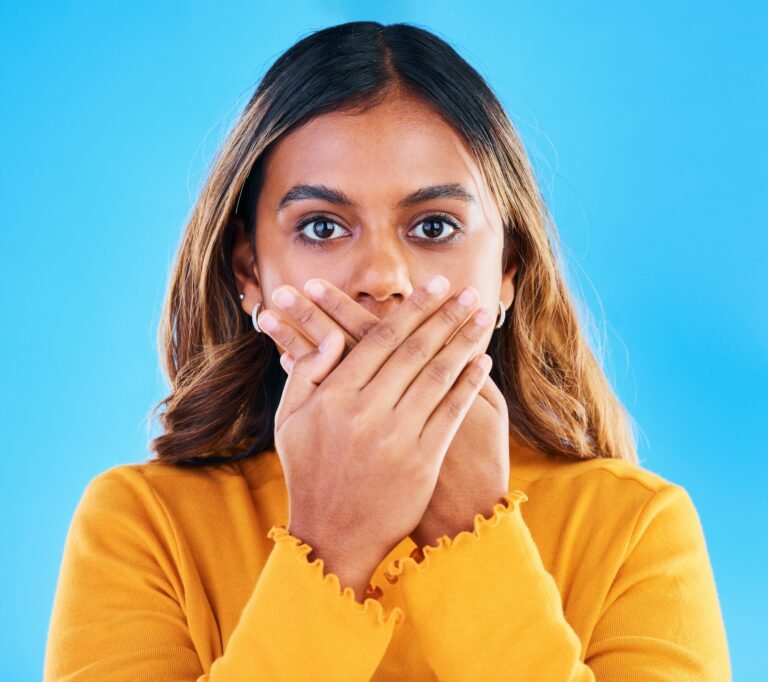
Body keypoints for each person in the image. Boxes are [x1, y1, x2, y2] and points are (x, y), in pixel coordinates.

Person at [44, 21, 731, 681]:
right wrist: (328, 546)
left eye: (433, 226)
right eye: (321, 227)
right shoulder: (142, 527)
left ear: (507, 274)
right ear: (250, 273)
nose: (382, 278)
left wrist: (472, 532)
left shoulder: (636, 528)